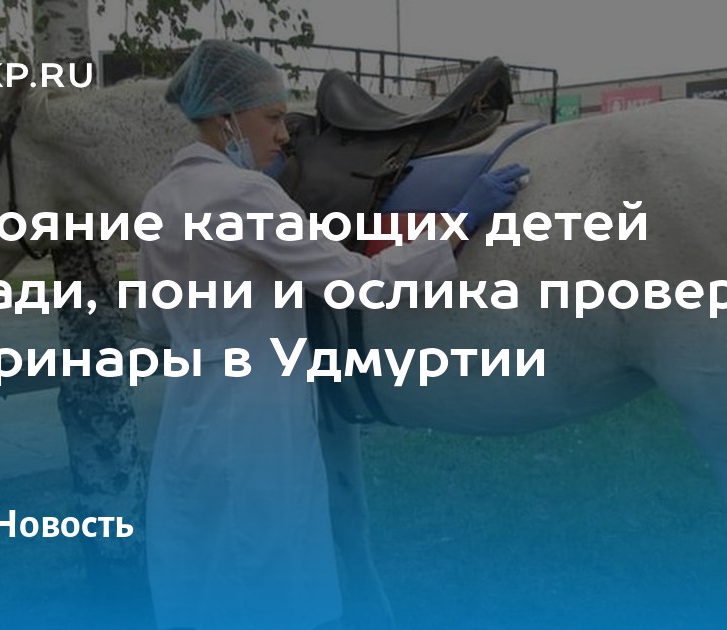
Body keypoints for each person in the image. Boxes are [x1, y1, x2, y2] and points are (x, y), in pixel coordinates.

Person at [137, 39, 529, 630]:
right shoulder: (247, 194)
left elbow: (154, 325)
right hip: (260, 427)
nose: (283, 135)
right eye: (272, 117)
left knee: (201, 576)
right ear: (225, 118)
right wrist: (454, 226)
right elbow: (360, 282)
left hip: (190, 423)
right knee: (269, 581)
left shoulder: (160, 200)